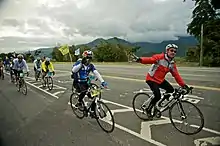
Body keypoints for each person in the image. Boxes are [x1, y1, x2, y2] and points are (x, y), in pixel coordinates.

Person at [132, 44, 189, 117]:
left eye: (175, 51)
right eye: (171, 50)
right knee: (157, 95)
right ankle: (148, 109)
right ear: (167, 51)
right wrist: (140, 59)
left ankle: (159, 104)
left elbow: (176, 75)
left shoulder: (172, 64)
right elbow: (150, 60)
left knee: (171, 90)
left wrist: (184, 85)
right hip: (151, 79)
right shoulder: (159, 58)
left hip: (160, 80)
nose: (173, 52)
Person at [71, 50, 108, 117]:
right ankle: (79, 102)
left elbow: (96, 73)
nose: (89, 60)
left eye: (90, 58)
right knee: (84, 92)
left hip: (86, 82)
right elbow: (74, 70)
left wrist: (102, 81)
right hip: (78, 82)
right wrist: (81, 64)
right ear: (84, 58)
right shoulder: (79, 63)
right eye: (88, 58)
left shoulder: (90, 65)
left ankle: (92, 111)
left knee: (94, 96)